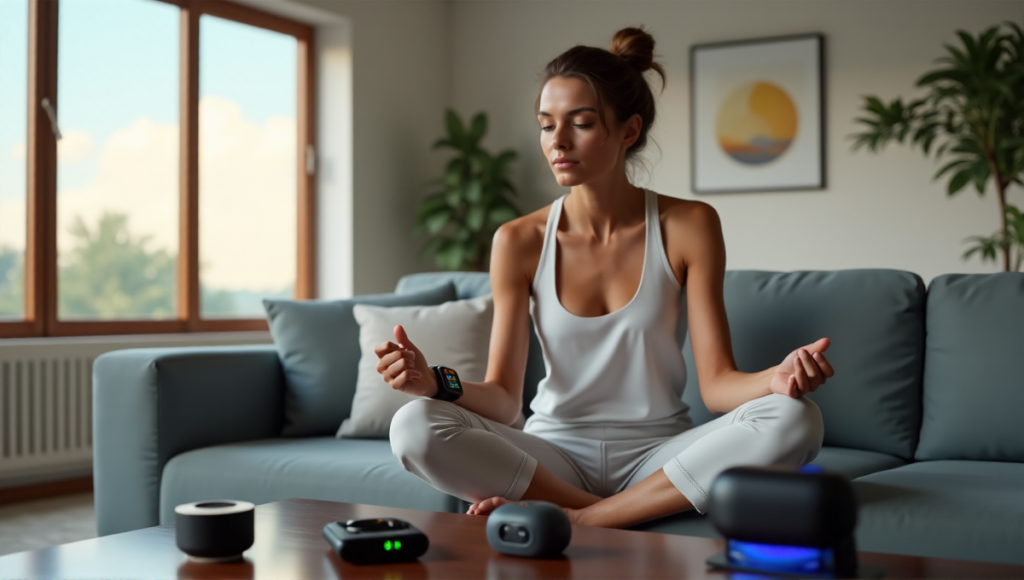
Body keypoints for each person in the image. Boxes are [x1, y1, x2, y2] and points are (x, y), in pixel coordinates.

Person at [375, 26, 833, 529]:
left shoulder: (689, 225)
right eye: (546, 125)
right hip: (551, 456)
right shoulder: (518, 240)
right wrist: (435, 381)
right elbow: (505, 401)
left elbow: (718, 386)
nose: (558, 142)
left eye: (582, 123)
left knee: (796, 418)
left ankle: (576, 521)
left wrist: (778, 377)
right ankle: (614, 513)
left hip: (658, 452)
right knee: (413, 424)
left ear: (628, 131)